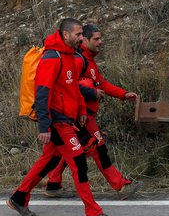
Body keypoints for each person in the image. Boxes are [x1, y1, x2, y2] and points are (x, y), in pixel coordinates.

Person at [6, 18, 117, 216]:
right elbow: (42, 94)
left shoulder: (70, 56)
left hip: (69, 120)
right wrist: (44, 127)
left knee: (48, 161)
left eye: (82, 34)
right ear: (65, 35)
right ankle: (93, 213)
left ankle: (19, 198)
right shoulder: (52, 57)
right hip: (57, 122)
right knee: (79, 164)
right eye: (78, 34)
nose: (81, 38)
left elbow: (73, 89)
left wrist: (82, 111)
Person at [45, 24, 144, 200]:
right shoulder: (78, 59)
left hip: (76, 117)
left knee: (59, 152)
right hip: (80, 117)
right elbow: (68, 86)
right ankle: (120, 185)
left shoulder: (88, 60)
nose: (101, 42)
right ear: (85, 40)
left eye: (101, 38)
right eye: (96, 39)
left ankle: (52, 184)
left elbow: (102, 83)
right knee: (99, 149)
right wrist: (91, 93)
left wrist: (123, 94)